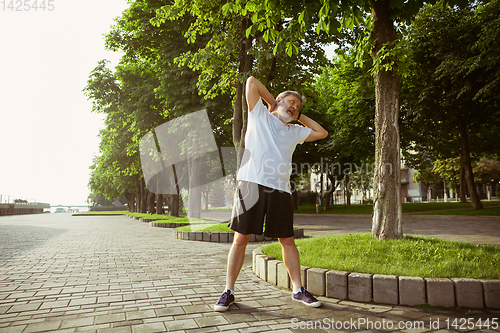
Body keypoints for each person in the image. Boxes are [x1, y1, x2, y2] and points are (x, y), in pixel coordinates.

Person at [214, 76, 328, 312]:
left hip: (280, 190)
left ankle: (298, 289)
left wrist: (297, 115)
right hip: (251, 185)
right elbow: (251, 81)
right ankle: (228, 291)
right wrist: (273, 105)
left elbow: (321, 132)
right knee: (240, 239)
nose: (294, 106)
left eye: (298, 105)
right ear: (277, 101)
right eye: (291, 102)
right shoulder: (259, 115)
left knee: (287, 240)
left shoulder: (295, 131)